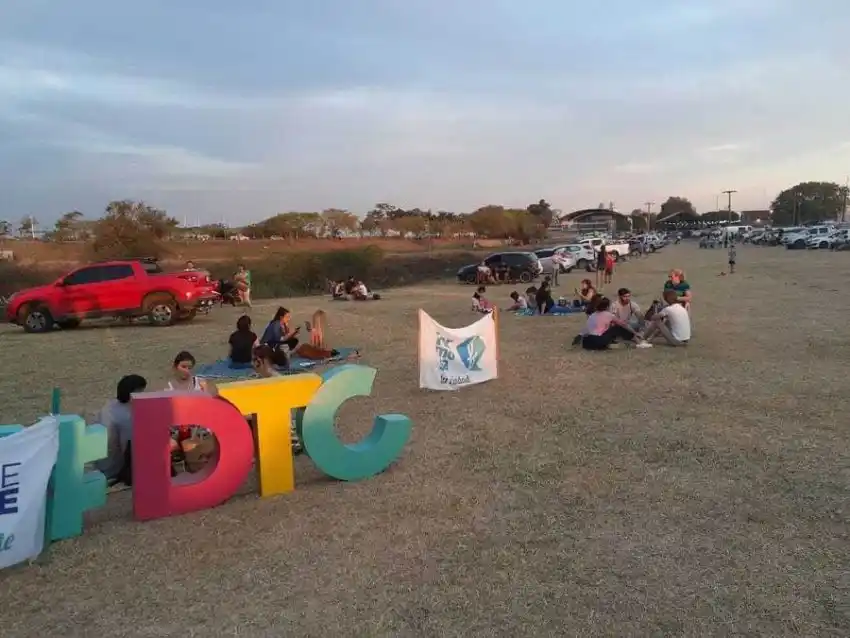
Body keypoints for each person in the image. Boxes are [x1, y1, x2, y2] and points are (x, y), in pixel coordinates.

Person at [94, 374, 149, 485]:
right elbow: (128, 446)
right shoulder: (126, 414)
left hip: (99, 461)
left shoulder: (110, 406)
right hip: (114, 466)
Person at [251, 345, 303, 454]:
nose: (252, 364)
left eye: (254, 360)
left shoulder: (274, 381)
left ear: (262, 361)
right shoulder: (266, 378)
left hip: (281, 432)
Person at [580, 297, 651, 350]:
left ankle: (612, 345)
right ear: (607, 306)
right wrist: (635, 333)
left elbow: (586, 330)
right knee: (617, 327)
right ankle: (639, 342)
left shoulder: (592, 315)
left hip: (587, 342)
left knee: (611, 330)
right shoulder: (609, 315)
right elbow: (624, 325)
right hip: (599, 340)